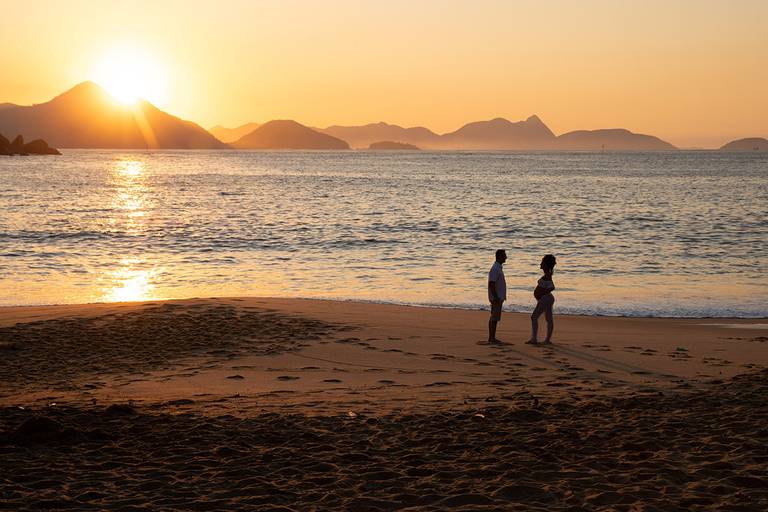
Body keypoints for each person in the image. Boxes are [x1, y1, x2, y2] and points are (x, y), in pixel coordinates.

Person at [527, 254, 557, 345]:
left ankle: (534, 339)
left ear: (546, 265)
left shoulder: (548, 274)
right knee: (548, 319)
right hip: (547, 298)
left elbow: (552, 287)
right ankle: (547, 340)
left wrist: (542, 292)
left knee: (534, 317)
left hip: (545, 299)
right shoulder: (547, 274)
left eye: (542, 262)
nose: (540, 264)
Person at [487, 249, 507, 344]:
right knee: (494, 317)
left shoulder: (498, 268)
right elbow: (491, 284)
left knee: (494, 317)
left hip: (498, 297)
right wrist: (495, 297)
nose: (506, 257)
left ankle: (492, 337)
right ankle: (492, 338)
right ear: (499, 256)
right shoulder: (495, 268)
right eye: (504, 255)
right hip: (496, 297)